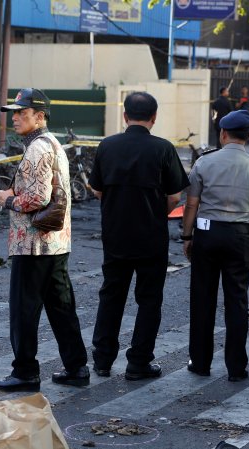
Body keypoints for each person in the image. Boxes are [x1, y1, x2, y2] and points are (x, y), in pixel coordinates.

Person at [0, 88, 89, 392]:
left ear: (40, 116)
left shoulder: (37, 148)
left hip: (32, 244)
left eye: (23, 112)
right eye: (14, 113)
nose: (16, 117)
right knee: (61, 306)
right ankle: (76, 367)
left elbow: (37, 197)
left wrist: (7, 199)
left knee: (24, 308)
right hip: (56, 242)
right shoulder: (52, 144)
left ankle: (25, 372)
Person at [89, 91, 189, 380]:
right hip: (150, 236)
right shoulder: (163, 149)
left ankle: (102, 360)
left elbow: (97, 190)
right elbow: (175, 196)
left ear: (125, 116)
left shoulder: (107, 146)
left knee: (111, 296)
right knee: (148, 300)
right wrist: (156, 208)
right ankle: (139, 362)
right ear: (154, 118)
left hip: (116, 234)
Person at [182, 110, 249, 382]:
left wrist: (187, 237)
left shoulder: (204, 163)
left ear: (223, 134)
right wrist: (248, 227)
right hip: (239, 235)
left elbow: (191, 204)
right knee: (236, 300)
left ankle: (200, 362)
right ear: (248, 136)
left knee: (202, 299)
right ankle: (236, 367)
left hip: (206, 234)